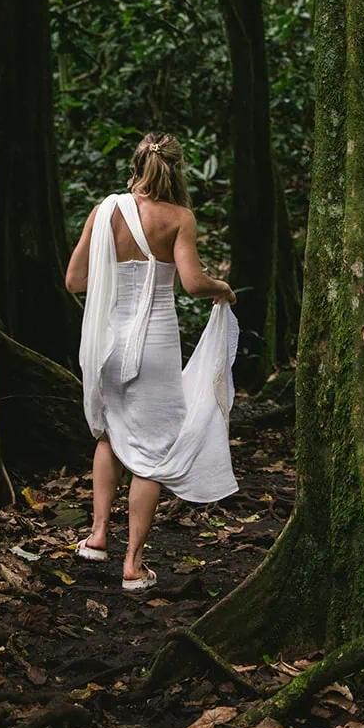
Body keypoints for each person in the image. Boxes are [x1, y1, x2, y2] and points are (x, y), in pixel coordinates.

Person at [64, 132, 239, 593]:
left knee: (109, 433)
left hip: (106, 343)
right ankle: (134, 564)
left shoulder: (105, 212)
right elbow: (193, 284)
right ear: (176, 169)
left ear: (136, 165)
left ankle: (97, 536)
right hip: (157, 347)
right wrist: (221, 288)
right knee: (153, 455)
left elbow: (75, 281)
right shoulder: (179, 218)